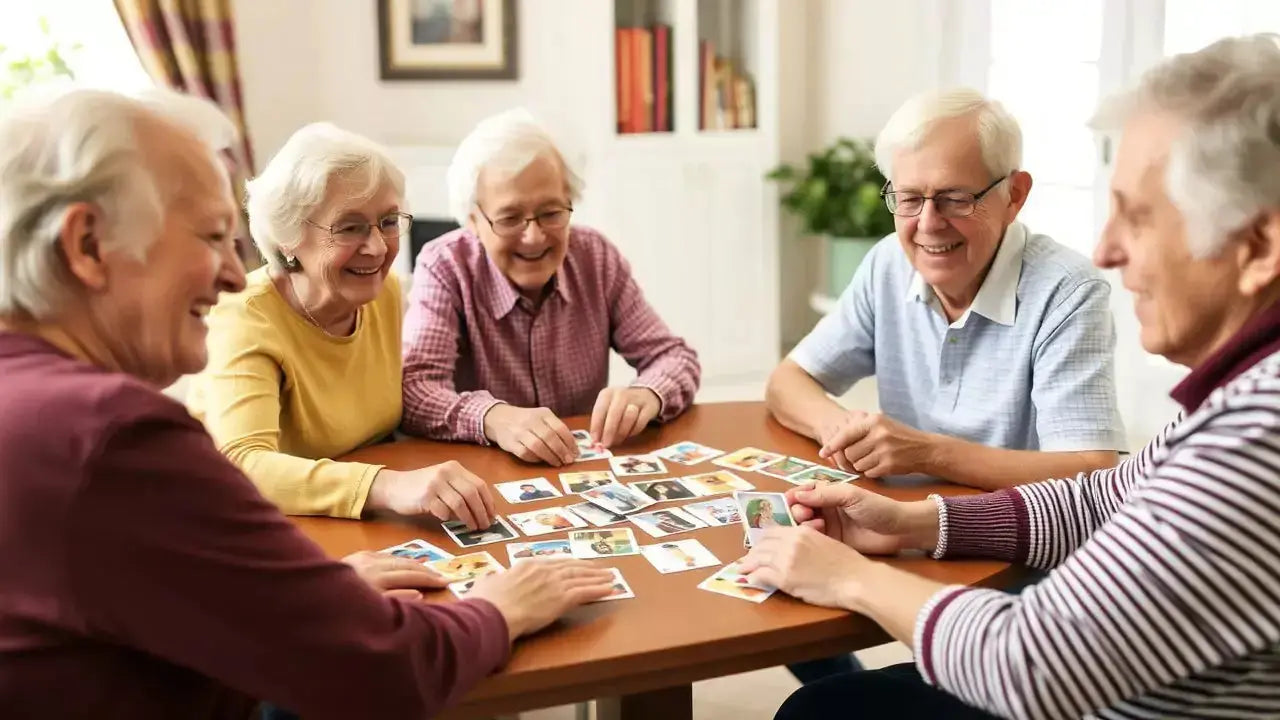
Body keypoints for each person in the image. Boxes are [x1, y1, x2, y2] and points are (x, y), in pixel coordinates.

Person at [0, 88, 618, 718]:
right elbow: (381, 669)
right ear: (87, 245)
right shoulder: (111, 437)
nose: (230, 273)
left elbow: (143, 611)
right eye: (212, 236)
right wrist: (497, 610)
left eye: (387, 222)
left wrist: (314, 595)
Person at [746, 35, 1280, 719]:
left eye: (1140, 216)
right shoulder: (1238, 403)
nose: (1107, 249)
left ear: (1259, 248)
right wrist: (910, 523)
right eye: (909, 199)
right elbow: (1102, 496)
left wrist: (852, 579)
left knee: (821, 714)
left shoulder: (1254, 441)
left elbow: (1027, 666)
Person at [766, 88, 1126, 491]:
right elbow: (788, 381)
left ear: (1015, 196)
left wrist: (927, 453)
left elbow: (1091, 471)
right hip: (896, 523)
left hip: (1010, 540)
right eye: (909, 198)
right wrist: (842, 428)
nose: (928, 223)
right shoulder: (888, 262)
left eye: (955, 199)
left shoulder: (1068, 292)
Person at [187, 122, 496, 527]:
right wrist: (387, 486)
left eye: (387, 222)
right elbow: (245, 465)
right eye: (349, 227)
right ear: (288, 236)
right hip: (255, 526)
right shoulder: (246, 316)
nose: (376, 247)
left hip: (351, 522)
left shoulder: (383, 294)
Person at [401, 108, 701, 465]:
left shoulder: (595, 257)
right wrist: (494, 418)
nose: (533, 236)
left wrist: (647, 394)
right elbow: (416, 389)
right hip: (486, 475)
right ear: (473, 221)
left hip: (582, 476)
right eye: (510, 218)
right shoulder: (444, 266)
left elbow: (674, 357)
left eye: (551, 213)